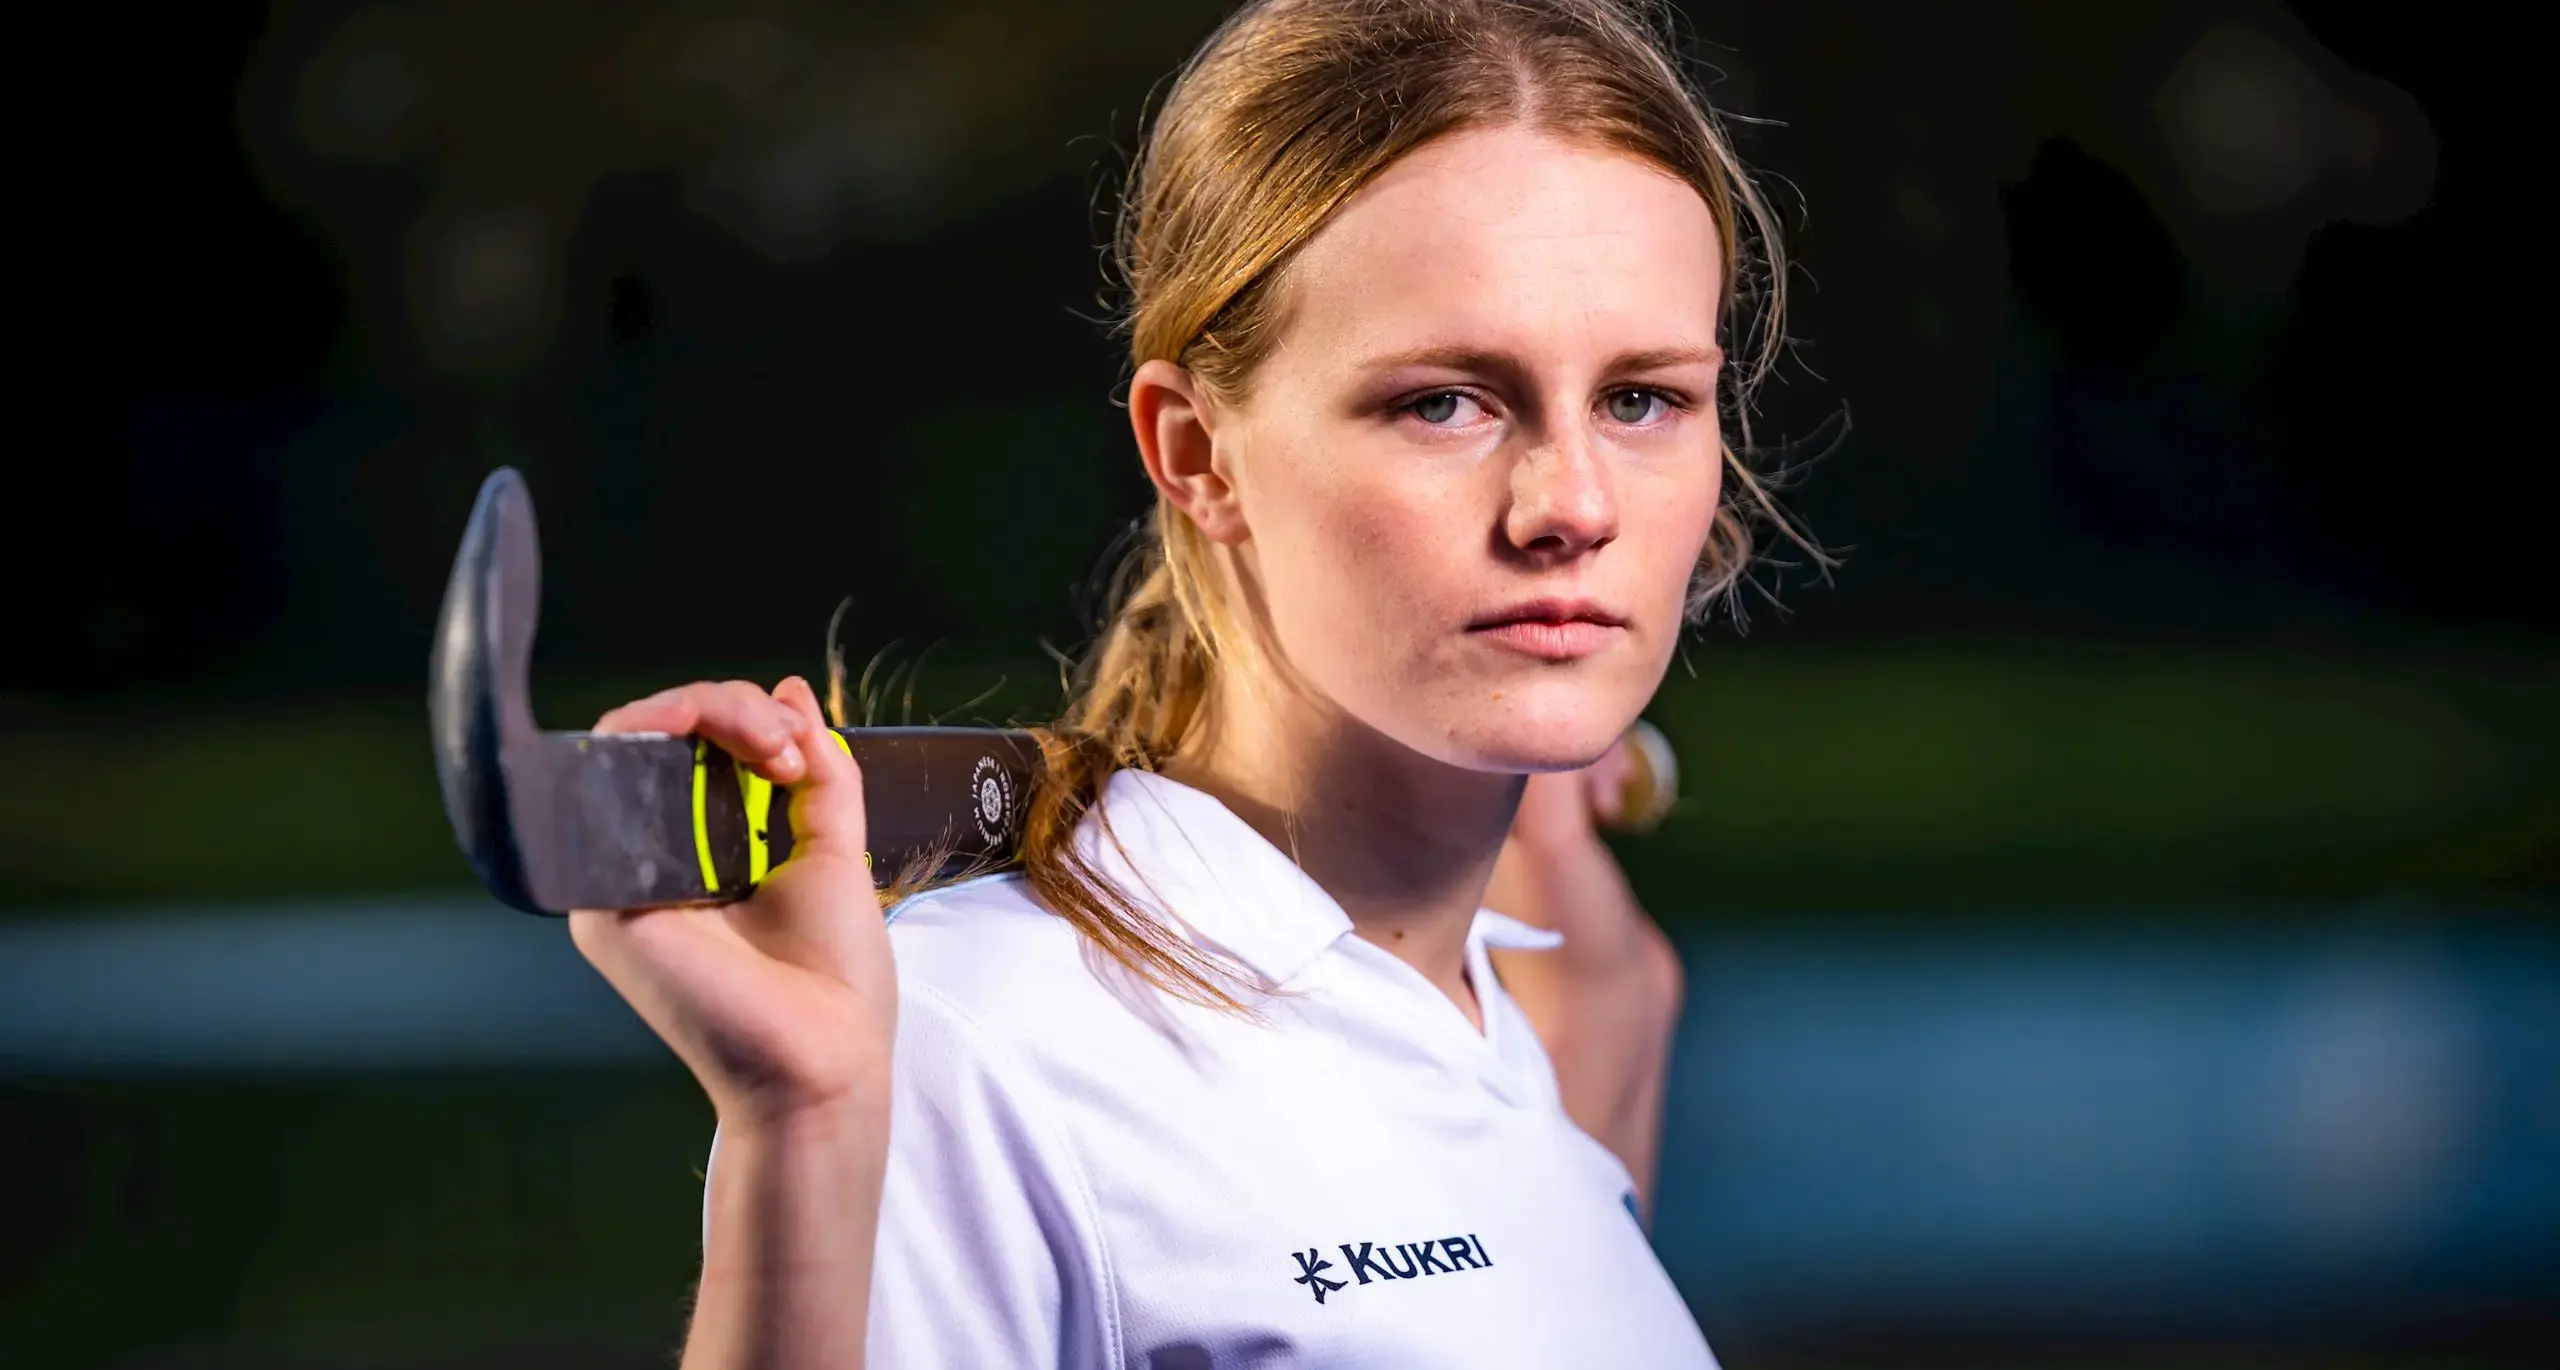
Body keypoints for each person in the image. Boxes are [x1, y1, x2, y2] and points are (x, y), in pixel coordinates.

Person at [569, 0, 1796, 1364]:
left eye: (1641, 400)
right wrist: (804, 1136)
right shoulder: (974, 1042)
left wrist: (1591, 1101)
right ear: (1198, 453)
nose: (1571, 504)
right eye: (1444, 401)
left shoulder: (1510, 1027)